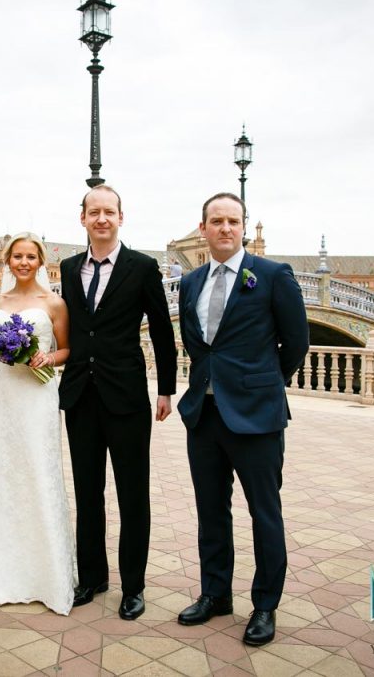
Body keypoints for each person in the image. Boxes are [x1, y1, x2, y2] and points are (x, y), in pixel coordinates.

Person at [175, 193, 308, 646]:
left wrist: (263, 382)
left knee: (264, 513)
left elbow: (296, 343)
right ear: (203, 227)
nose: (225, 228)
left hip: (257, 417)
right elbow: (196, 342)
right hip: (204, 415)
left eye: (233, 221)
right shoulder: (190, 282)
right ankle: (215, 594)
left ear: (243, 227)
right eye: (217, 221)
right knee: (211, 512)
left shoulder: (272, 276)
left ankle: (265, 605)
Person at [59, 185, 178, 620]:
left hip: (127, 398)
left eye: (109, 212)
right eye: (95, 212)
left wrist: (166, 388)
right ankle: (92, 577)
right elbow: (68, 329)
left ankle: (133, 586)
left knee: (133, 495)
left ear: (121, 218)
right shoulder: (70, 268)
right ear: (83, 219)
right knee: (88, 493)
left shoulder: (142, 267)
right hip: (80, 398)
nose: (102, 219)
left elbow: (163, 330)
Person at [0, 232, 75, 614]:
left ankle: (48, 572)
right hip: (6, 393)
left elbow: (66, 350)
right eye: (17, 257)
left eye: (30, 256)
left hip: (39, 397)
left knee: (41, 472)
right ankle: (3, 570)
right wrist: (8, 350)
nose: (23, 262)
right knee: (7, 473)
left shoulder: (54, 302)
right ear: (7, 261)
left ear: (40, 260)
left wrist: (46, 358)